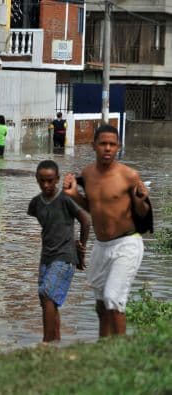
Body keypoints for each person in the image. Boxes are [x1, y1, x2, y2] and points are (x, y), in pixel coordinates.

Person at [63, 124, 152, 338]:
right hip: (102, 246)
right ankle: (104, 346)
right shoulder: (88, 174)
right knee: (102, 302)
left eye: (112, 144)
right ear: (94, 146)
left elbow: (143, 213)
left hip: (127, 244)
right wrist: (74, 195)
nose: (107, 148)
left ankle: (120, 351)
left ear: (118, 147)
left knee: (114, 298)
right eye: (103, 143)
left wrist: (141, 200)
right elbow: (92, 208)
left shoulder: (129, 175)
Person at [28, 160, 90, 342]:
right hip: (46, 257)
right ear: (37, 180)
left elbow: (85, 220)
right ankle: (55, 341)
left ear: (57, 179)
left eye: (50, 180)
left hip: (65, 256)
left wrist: (81, 248)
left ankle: (47, 343)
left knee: (47, 295)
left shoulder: (65, 199)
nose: (46, 185)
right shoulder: (35, 204)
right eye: (42, 181)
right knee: (46, 299)